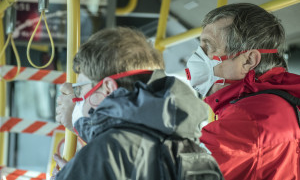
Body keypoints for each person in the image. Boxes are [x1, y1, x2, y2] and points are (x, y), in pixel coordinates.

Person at [53, 27, 223, 180]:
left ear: (107, 88)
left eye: (81, 89)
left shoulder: (104, 154)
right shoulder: (198, 155)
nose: (78, 97)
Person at [186, 3, 300, 180]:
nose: (196, 58)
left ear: (248, 61)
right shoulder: (284, 100)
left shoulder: (251, 116)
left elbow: (177, 171)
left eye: (209, 47)